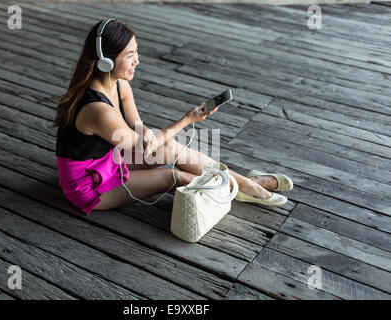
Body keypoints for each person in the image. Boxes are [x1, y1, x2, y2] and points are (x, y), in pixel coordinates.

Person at [53, 18, 292, 215]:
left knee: (172, 149)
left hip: (108, 160)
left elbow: (139, 129)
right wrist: (187, 119)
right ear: (105, 61)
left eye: (137, 52)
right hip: (91, 186)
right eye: (130, 55)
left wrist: (146, 132)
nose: (138, 61)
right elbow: (142, 146)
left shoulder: (118, 84)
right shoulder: (98, 110)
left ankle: (245, 185)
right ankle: (248, 187)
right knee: (175, 177)